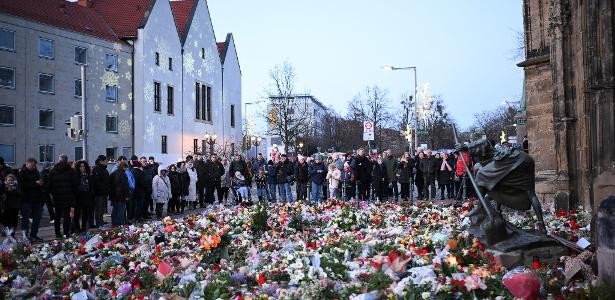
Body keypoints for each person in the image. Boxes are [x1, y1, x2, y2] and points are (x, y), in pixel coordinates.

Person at [47, 155, 77, 238]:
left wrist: (52, 194)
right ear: (67, 161)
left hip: (57, 197)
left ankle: (57, 233)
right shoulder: (71, 171)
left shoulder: (53, 171)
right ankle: (66, 232)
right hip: (68, 197)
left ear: (59, 160)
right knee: (66, 216)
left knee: (57, 215)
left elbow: (49, 185)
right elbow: (75, 185)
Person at [18, 158, 44, 242]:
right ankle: (25, 236)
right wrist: (35, 183)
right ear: (27, 163)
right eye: (32, 165)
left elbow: (38, 181)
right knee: (25, 218)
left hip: (37, 199)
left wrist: (40, 183)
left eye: (34, 165)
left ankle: (34, 235)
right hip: (26, 199)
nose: (34, 167)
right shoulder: (22, 172)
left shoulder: (36, 171)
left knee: (37, 217)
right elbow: (22, 185)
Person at [74, 160, 94, 232]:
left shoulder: (88, 175)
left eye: (83, 166)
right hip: (79, 197)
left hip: (87, 196)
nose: (82, 168)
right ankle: (77, 228)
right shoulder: (76, 175)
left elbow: (90, 185)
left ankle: (83, 227)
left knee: (85, 213)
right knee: (77, 214)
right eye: (81, 166)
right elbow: (75, 186)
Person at [109, 161, 130, 226]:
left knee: (115, 210)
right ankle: (121, 224)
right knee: (121, 210)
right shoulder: (123, 175)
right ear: (123, 167)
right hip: (121, 195)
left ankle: (114, 223)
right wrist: (127, 195)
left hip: (113, 195)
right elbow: (125, 186)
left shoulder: (113, 173)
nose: (126, 169)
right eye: (126, 167)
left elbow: (110, 185)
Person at [91, 155, 109, 228]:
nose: (107, 162)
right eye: (106, 160)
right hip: (99, 193)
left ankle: (101, 222)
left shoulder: (104, 169)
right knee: (98, 209)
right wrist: (104, 187)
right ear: (101, 161)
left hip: (104, 192)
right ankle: (99, 224)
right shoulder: (96, 169)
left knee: (102, 210)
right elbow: (97, 182)